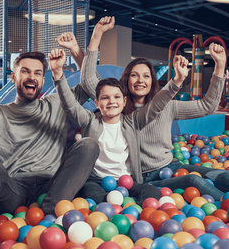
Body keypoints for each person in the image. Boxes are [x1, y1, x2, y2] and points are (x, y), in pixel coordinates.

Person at [67, 16, 229, 200]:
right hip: (147, 176)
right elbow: (88, 79)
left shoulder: (166, 105)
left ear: (153, 80)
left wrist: (220, 66)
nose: (140, 80)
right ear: (126, 79)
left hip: (171, 165)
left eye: (146, 75)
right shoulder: (117, 107)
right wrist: (97, 36)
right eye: (134, 75)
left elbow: (207, 106)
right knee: (196, 181)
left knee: (225, 175)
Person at [0, 50, 99, 249]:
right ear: (14, 77)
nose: (32, 77)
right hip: (12, 191)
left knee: (89, 145)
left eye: (38, 73)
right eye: (25, 71)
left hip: (52, 189)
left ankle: (47, 214)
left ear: (42, 79)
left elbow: (93, 85)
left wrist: (75, 51)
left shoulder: (58, 103)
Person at [48, 47, 188, 204]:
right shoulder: (89, 120)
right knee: (92, 196)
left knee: (151, 192)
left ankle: (136, 218)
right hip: (97, 181)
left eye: (116, 97)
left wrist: (177, 81)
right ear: (97, 103)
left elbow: (157, 104)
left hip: (126, 181)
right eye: (105, 98)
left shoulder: (132, 121)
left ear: (124, 101)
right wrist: (58, 74)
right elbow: (69, 105)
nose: (111, 102)